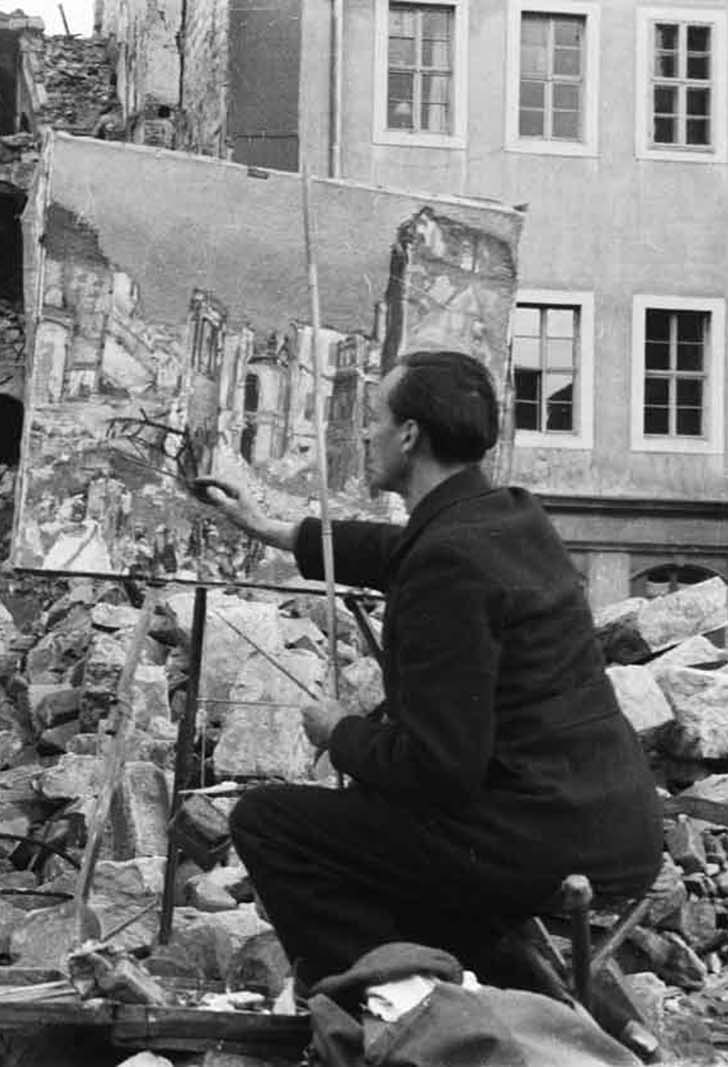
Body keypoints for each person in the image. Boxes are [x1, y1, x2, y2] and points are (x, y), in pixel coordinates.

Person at [190, 349, 661, 990]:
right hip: (609, 825)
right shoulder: (507, 517)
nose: (365, 431)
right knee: (384, 826)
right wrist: (272, 528)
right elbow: (399, 551)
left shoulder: (448, 563)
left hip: (541, 841)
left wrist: (341, 734)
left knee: (269, 822)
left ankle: (395, 1009)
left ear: (409, 435)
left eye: (377, 417)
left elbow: (439, 769)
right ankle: (476, 975)